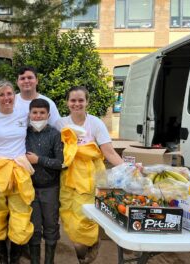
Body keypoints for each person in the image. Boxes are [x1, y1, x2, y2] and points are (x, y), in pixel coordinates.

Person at [56, 86, 123, 264]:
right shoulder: (60, 124)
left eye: (80, 100)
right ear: (67, 102)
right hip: (67, 178)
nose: (77, 104)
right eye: (73, 100)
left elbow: (109, 152)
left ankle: (89, 245)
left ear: (87, 102)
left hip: (90, 177)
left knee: (84, 218)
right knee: (68, 217)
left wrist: (128, 169)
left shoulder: (95, 123)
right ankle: (82, 251)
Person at [0, 80, 35, 264]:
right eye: (2, 95)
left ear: (14, 96)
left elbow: (45, 123)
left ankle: (14, 259)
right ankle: (1, 257)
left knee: (21, 214)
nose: (6, 98)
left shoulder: (24, 115)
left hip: (19, 170)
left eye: (9, 94)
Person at [25, 99, 63, 264]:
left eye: (42, 113)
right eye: (35, 112)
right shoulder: (24, 134)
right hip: (29, 189)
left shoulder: (55, 134)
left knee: (51, 225)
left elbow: (60, 163)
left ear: (48, 115)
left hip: (50, 188)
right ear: (29, 114)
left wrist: (38, 160)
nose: (38, 116)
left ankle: (49, 261)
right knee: (33, 227)